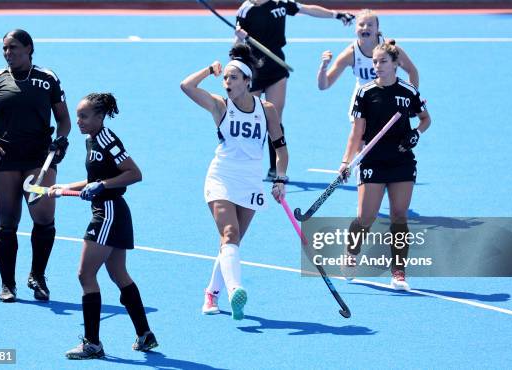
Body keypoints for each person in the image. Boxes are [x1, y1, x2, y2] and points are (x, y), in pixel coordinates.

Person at [180, 44, 289, 320]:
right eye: (225, 78)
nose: (227, 82)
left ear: (247, 81)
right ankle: (235, 290)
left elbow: (280, 149)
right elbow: (186, 86)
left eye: (233, 77)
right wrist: (208, 70)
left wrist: (280, 179)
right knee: (229, 233)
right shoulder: (220, 105)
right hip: (222, 176)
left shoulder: (267, 110)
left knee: (232, 242)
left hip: (251, 181)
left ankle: (211, 293)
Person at [47, 93, 157, 359]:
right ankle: (145, 334)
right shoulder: (90, 141)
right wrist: (64, 188)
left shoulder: (107, 139)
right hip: (112, 212)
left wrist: (103, 186)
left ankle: (92, 343)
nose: (79, 121)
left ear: (99, 116)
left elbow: (134, 173)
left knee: (85, 275)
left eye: (84, 116)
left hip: (108, 213)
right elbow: (94, 179)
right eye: (77, 116)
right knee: (119, 275)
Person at [0, 29, 71, 303]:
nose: (8, 53)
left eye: (13, 47)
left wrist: (61, 140)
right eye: (4, 48)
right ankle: (7, 284)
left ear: (29, 48)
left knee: (43, 217)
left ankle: (37, 276)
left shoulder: (47, 78)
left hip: (40, 158)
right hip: (3, 157)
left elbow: (63, 120)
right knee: (7, 221)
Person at [339, 41, 431, 290]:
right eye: (374, 62)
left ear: (395, 64)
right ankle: (351, 253)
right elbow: (356, 132)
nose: (377, 66)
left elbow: (425, 119)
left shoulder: (408, 91)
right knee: (365, 217)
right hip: (372, 160)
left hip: (401, 160)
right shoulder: (365, 93)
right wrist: (346, 161)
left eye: (382, 62)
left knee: (399, 216)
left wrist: (416, 134)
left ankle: (398, 272)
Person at [235, 0, 351, 180]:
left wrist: (336, 14)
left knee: (274, 118)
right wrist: (240, 38)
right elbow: (236, 47)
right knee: (250, 119)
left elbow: (308, 9)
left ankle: (275, 168)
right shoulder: (246, 9)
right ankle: (246, 165)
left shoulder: (280, 3)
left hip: (276, 68)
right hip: (253, 70)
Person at [317, 9, 419, 121]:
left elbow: (412, 71)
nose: (365, 27)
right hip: (363, 100)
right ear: (355, 29)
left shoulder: (391, 50)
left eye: (370, 24)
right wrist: (324, 66)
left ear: (377, 29)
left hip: (389, 98)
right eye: (361, 24)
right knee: (358, 137)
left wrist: (411, 99)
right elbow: (324, 85)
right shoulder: (351, 54)